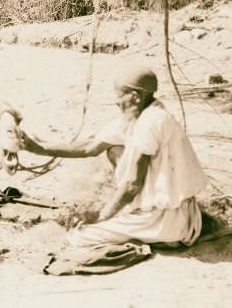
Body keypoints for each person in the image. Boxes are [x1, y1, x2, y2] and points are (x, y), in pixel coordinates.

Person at [19, 66, 207, 247]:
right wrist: (40, 149)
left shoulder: (152, 122)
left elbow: (133, 184)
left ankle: (158, 237)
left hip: (165, 219)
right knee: (114, 149)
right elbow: (90, 147)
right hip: (174, 214)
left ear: (135, 97)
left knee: (78, 237)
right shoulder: (138, 116)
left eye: (119, 96)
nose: (116, 102)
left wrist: (100, 215)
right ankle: (138, 221)